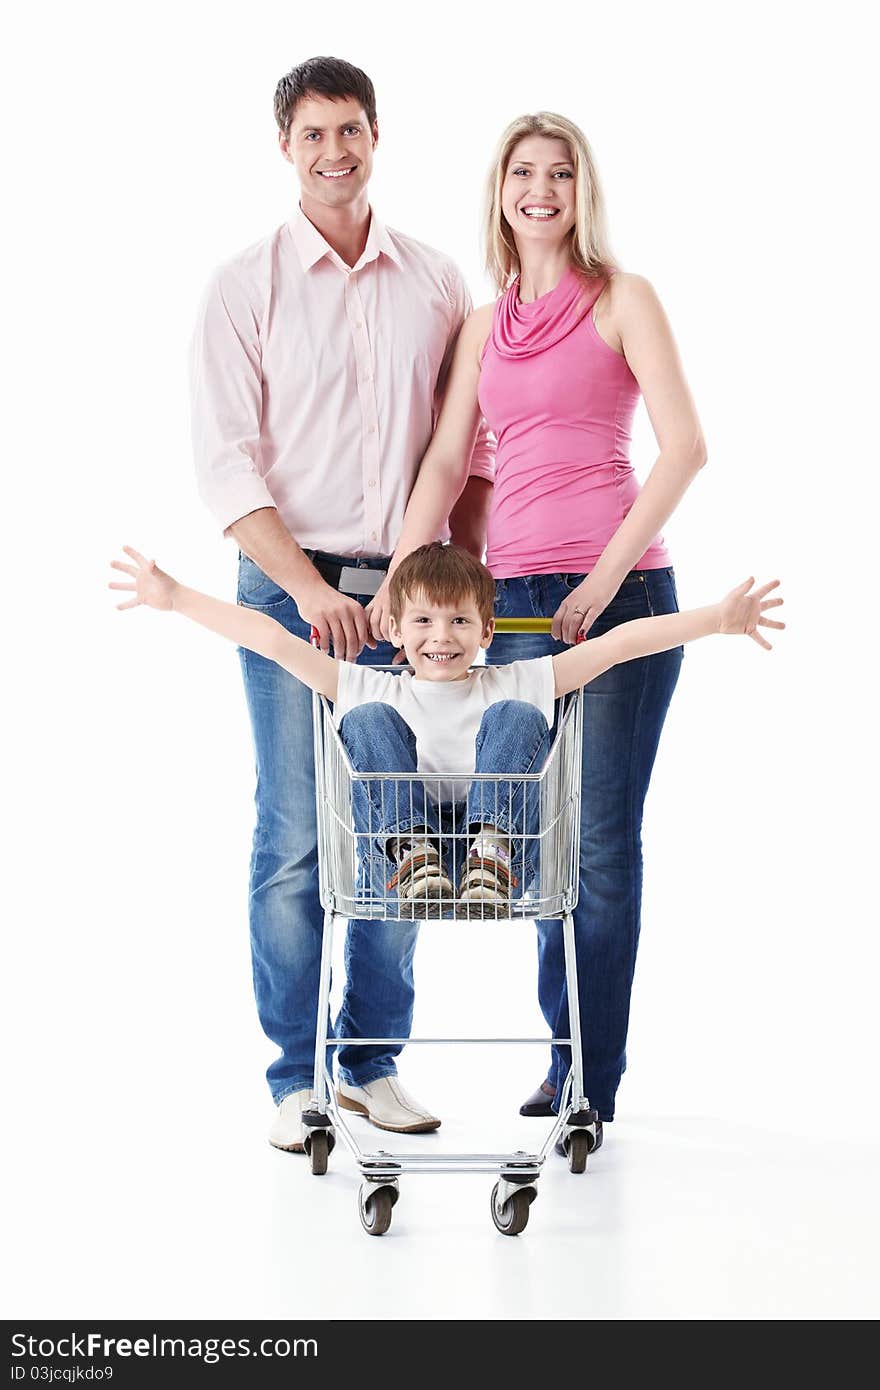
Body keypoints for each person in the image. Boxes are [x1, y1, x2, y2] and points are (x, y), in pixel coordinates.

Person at [110, 541, 784, 1157]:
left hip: (497, 858)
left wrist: (714, 618)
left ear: (487, 632)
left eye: (461, 622)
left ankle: (491, 853)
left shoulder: (514, 683)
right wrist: (176, 599)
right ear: (395, 632)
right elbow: (271, 639)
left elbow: (618, 646)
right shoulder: (372, 684)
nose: (443, 637)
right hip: (400, 861)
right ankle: (413, 854)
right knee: (369, 722)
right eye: (426, 622)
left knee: (520, 720)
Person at [365, 111, 710, 1136]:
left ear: (582, 189)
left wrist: (604, 578)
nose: (541, 188)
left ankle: (585, 1078)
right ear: (501, 189)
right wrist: (399, 581)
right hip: (509, 604)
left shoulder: (623, 299)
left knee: (601, 846)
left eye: (560, 172)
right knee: (534, 836)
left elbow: (684, 447)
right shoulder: (484, 322)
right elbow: (441, 463)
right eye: (524, 171)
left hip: (619, 593)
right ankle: (562, 1056)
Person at [188, 56, 494, 1150]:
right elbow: (225, 470)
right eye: (313, 134)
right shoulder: (245, 283)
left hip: (409, 596)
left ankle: (369, 1062)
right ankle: (292, 1077)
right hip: (287, 581)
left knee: (394, 823)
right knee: (293, 835)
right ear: (286, 146)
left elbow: (468, 447)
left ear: (377, 136)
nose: (334, 151)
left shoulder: (436, 281)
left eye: (350, 130)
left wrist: (449, 587)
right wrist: (312, 590)